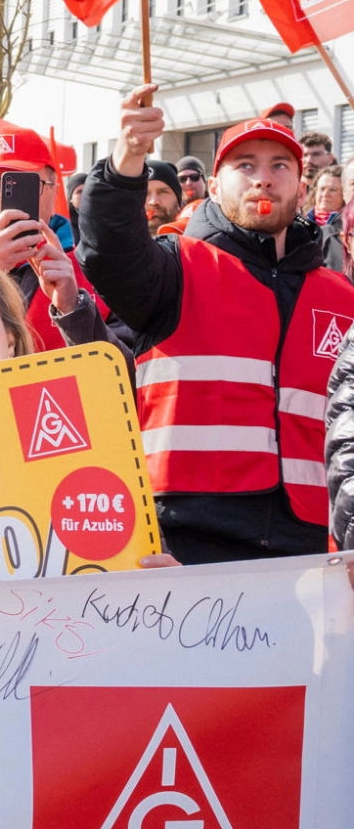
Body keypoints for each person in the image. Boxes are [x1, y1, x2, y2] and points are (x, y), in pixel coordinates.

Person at [80, 89, 354, 563]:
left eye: (279, 167)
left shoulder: (343, 296)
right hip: (185, 541)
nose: (262, 180)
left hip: (312, 548)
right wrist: (127, 157)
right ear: (213, 185)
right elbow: (109, 251)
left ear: (302, 190)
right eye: (245, 166)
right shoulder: (174, 266)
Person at [0, 125, 112, 355]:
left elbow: (122, 370)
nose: (6, 200)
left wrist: (74, 311)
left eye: (24, 186)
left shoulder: (96, 268)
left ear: (54, 192)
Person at [143, 159, 183, 235]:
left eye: (163, 192)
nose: (154, 202)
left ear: (178, 201)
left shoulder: (192, 242)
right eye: (145, 193)